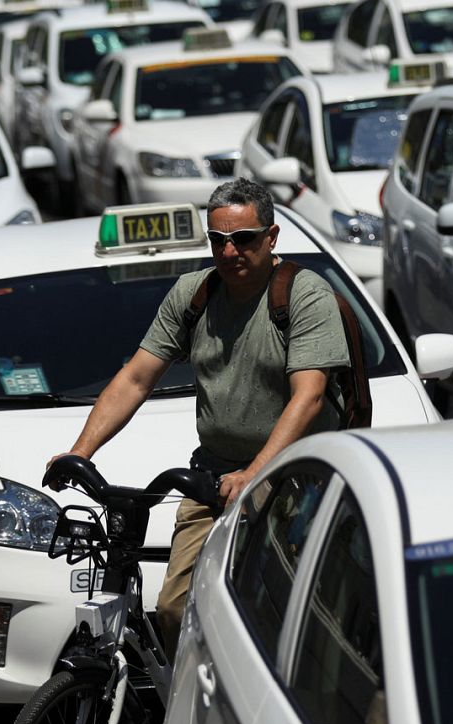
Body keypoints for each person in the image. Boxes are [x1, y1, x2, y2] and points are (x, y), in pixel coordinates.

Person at [48, 179, 350, 653]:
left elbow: (309, 398)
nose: (229, 251)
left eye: (243, 238)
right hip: (213, 477)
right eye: (218, 240)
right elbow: (135, 379)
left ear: (271, 238)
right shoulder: (194, 294)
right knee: (175, 609)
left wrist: (255, 472)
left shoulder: (304, 295)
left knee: (287, 617)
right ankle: (192, 714)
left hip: (295, 476)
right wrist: (78, 453)